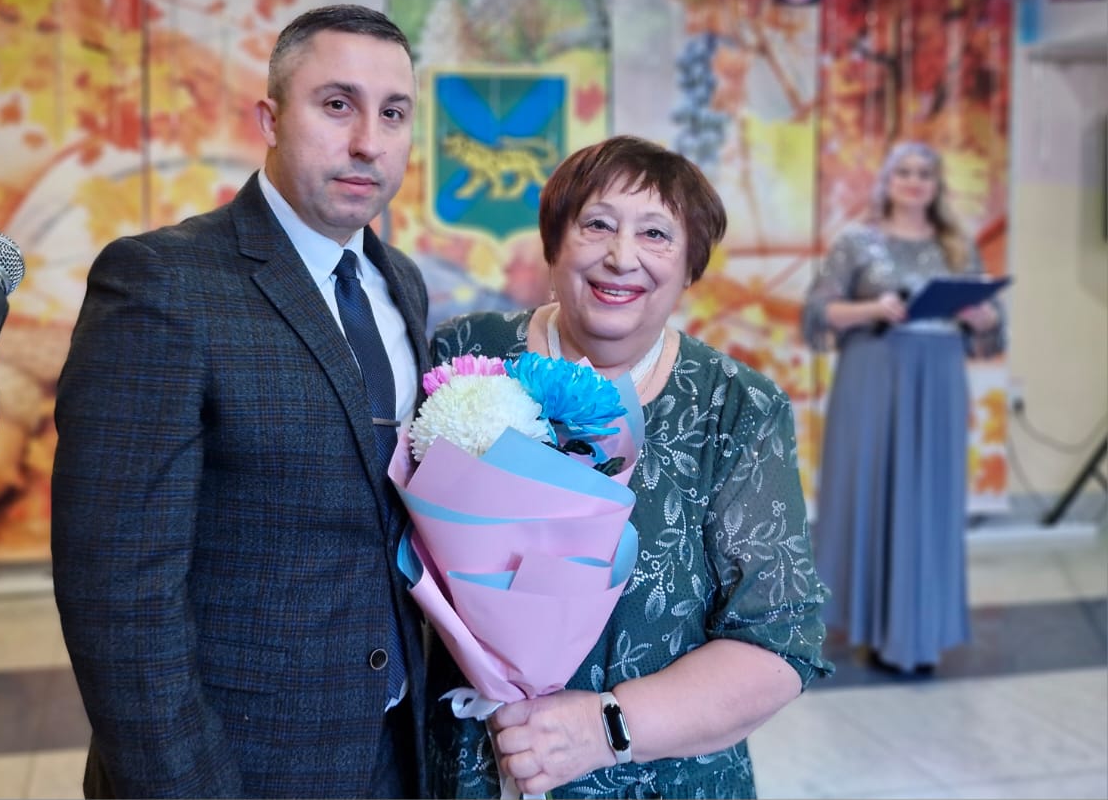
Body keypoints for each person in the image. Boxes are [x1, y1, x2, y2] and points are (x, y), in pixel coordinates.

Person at [51, 4, 431, 798]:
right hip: (239, 762)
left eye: (393, 113)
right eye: (337, 104)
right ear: (270, 118)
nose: (369, 140)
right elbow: (117, 597)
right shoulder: (163, 282)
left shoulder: (401, 283)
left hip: (398, 750)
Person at [426, 135, 834, 799]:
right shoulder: (466, 353)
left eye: (655, 234)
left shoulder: (735, 408)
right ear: (554, 243)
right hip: (476, 763)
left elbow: (781, 641)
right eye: (596, 224)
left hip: (660, 779)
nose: (621, 256)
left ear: (690, 266)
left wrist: (605, 728)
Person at [802, 140, 1004, 674]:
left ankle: (918, 634)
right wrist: (872, 307)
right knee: (870, 490)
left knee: (929, 497)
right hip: (875, 370)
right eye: (905, 172)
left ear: (937, 186)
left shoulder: (957, 246)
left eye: (925, 174)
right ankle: (868, 625)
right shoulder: (857, 241)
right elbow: (819, 310)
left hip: (938, 377)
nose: (915, 182)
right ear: (888, 181)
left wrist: (983, 316)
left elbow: (990, 318)